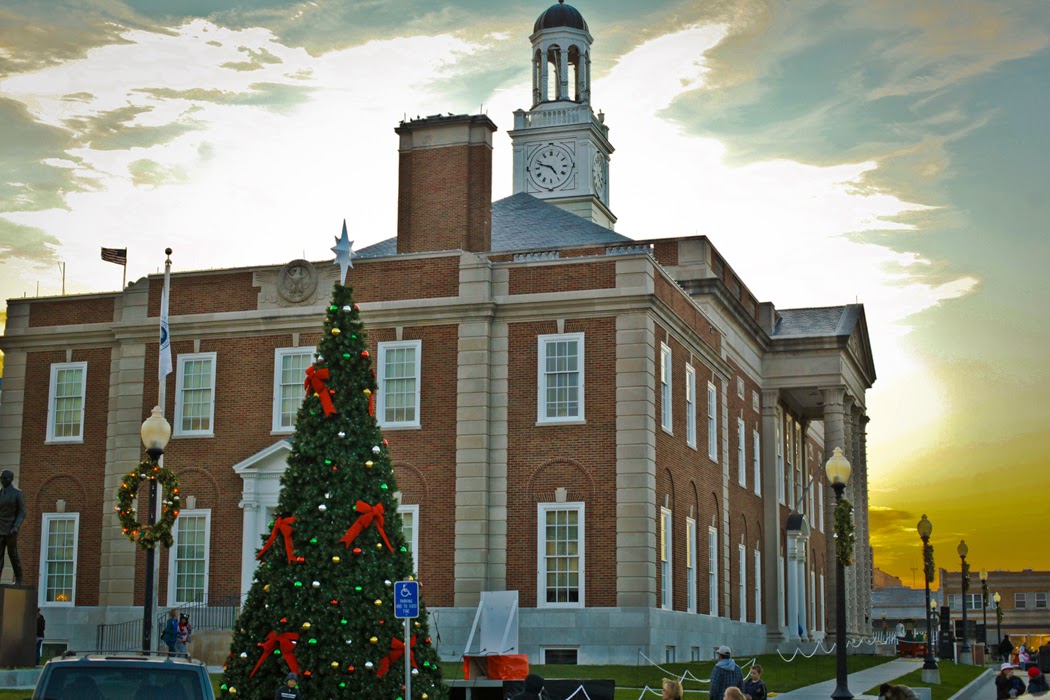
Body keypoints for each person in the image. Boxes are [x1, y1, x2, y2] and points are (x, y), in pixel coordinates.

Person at [0, 469, 26, 585]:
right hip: (0, 529)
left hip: (11, 529)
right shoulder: (0, 493)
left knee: (13, 554)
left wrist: (16, 526)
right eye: (1, 478)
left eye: (4, 478)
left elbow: (22, 511)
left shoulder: (17, 493)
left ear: (11, 479)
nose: (2, 480)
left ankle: (19, 579)